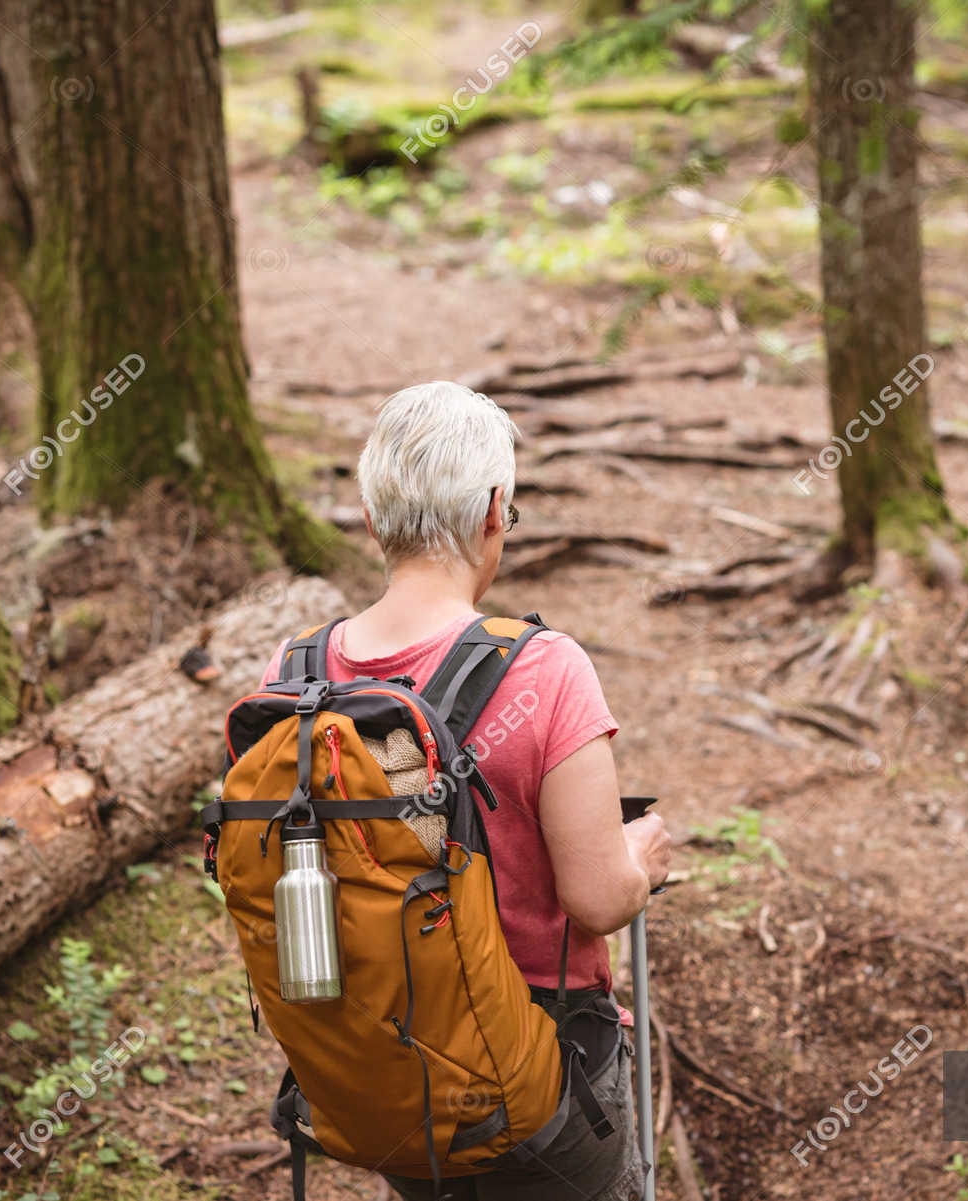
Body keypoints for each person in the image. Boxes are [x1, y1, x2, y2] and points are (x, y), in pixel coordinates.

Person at [271, 380, 672, 1201]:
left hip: (381, 1071)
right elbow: (596, 901)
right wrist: (642, 860)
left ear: (374, 515)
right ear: (494, 511)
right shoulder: (545, 667)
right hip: (536, 1085)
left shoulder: (296, 675)